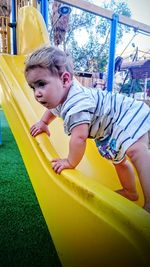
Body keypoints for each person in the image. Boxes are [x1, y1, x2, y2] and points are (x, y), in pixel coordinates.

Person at [24, 45, 150, 213]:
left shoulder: (77, 102)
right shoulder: (60, 97)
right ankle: (130, 192)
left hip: (125, 114)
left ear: (65, 79)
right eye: (33, 87)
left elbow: (79, 138)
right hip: (108, 128)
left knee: (136, 151)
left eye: (41, 84)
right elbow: (53, 110)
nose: (37, 93)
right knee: (119, 161)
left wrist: (70, 161)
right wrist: (44, 123)